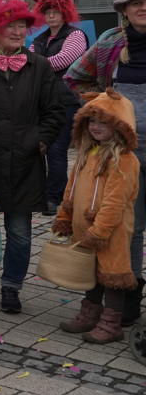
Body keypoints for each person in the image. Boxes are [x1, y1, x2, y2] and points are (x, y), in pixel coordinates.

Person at [0, 0, 65, 314]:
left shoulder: (40, 66)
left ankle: (12, 287)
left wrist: (40, 140)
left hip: (25, 161)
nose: (18, 32)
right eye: (10, 26)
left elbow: (55, 111)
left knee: (19, 231)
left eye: (22, 26)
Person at [66, 0, 146, 326]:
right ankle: (123, 299)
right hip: (123, 152)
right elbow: (75, 77)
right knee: (129, 227)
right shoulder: (111, 42)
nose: (143, 7)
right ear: (124, 10)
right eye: (135, 3)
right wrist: (101, 107)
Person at [54, 89, 139, 343]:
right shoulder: (87, 152)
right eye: (91, 121)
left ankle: (112, 323)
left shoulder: (124, 159)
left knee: (112, 275)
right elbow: (71, 188)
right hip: (86, 227)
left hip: (110, 230)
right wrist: (65, 216)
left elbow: (115, 201)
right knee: (91, 271)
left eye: (104, 122)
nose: (96, 127)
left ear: (120, 126)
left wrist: (100, 230)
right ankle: (90, 313)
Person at [30, 0, 88, 214]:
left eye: (55, 11)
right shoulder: (40, 38)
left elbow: (64, 60)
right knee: (39, 149)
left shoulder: (75, 35)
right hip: (41, 101)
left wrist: (35, 63)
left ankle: (55, 197)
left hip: (66, 100)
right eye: (47, 12)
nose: (51, 15)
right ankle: (42, 194)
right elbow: (31, 61)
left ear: (65, 13)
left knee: (56, 150)